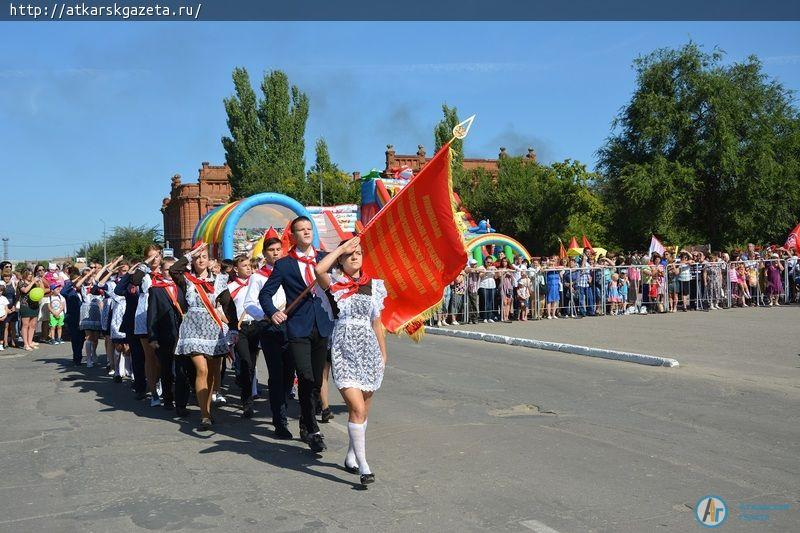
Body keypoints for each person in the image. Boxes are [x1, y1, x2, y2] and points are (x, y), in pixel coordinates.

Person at [314, 237, 387, 487]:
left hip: (368, 350)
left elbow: (377, 324)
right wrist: (340, 249)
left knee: (364, 410)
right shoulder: (334, 283)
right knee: (355, 408)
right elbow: (318, 269)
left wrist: (383, 354)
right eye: (349, 254)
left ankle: (351, 455)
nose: (355, 257)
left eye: (358, 253)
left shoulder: (375, 286)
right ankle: (364, 466)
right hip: (344, 348)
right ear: (341, 260)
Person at [259, 216, 335, 452]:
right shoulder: (284, 264)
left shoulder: (324, 258)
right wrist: (273, 313)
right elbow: (265, 295)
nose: (306, 232)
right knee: (305, 376)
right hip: (298, 329)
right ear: (292, 236)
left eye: (308, 229)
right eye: (300, 230)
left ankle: (305, 421)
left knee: (316, 381)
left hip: (322, 326)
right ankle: (313, 430)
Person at [171, 242, 238, 430]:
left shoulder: (218, 281)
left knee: (211, 374)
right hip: (192, 328)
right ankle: (205, 416)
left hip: (213, 329)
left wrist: (233, 328)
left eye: (204, 257)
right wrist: (191, 253)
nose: (201, 260)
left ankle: (206, 409)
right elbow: (175, 269)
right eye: (197, 257)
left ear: (210, 261)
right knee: (201, 370)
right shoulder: (187, 280)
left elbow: (228, 305)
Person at [244, 237, 293, 437]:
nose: (275, 253)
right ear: (264, 254)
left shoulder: (289, 271)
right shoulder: (258, 277)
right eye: (271, 250)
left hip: (291, 327)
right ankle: (280, 421)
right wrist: (267, 314)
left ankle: (285, 403)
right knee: (276, 375)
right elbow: (249, 303)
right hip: (270, 329)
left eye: (278, 249)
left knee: (290, 374)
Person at [147, 256, 190, 413]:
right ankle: (168, 398)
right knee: (166, 369)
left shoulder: (183, 287)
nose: (170, 273)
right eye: (167, 270)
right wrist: (152, 336)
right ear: (161, 271)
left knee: (182, 370)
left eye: (174, 270)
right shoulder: (156, 289)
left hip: (183, 335)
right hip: (165, 336)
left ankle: (181, 404)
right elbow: (152, 314)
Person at [17, 268, 45, 351]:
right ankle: (25, 344)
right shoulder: (21, 282)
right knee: (25, 325)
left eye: (31, 274)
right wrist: (33, 282)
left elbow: (42, 290)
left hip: (35, 304)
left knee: (33, 325)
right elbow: (25, 290)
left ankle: (30, 342)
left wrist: (40, 282)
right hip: (25, 305)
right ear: (25, 274)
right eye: (29, 274)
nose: (30, 276)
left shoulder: (34, 282)